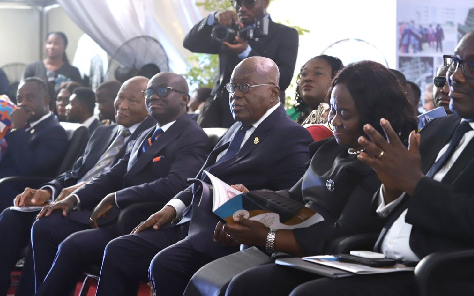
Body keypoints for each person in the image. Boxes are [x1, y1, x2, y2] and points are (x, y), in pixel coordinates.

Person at [286, 27, 474, 296]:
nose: (455, 77)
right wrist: (390, 189)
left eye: (472, 67)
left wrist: (413, 182)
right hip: (383, 263)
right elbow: (389, 207)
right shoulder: (439, 128)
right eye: (455, 63)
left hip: (447, 277)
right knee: (257, 282)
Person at [93, 57, 312, 296]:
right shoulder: (237, 128)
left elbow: (292, 200)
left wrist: (252, 199)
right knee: (119, 250)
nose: (235, 95)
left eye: (245, 87)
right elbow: (203, 176)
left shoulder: (290, 136)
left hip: (226, 232)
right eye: (232, 87)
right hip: (190, 220)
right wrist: (174, 206)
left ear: (273, 93)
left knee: (166, 263)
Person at [212, 61, 417, 296]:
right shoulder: (330, 148)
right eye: (333, 110)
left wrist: (267, 237)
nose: (335, 122)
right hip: (291, 244)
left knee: (244, 287)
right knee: (212, 280)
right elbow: (292, 196)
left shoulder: (380, 164)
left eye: (345, 114)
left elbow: (340, 235)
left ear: (374, 113)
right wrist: (251, 202)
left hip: (329, 258)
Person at [31, 73, 211, 295]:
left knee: (73, 245)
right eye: (150, 92)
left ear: (184, 99)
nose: (154, 96)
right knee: (46, 224)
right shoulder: (146, 133)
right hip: (117, 215)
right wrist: (74, 198)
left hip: (144, 220)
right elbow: (113, 175)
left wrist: (117, 197)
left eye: (163, 91)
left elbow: (176, 184)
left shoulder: (192, 136)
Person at [0, 76, 155, 296]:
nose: (122, 105)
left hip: (98, 209)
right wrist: (48, 190)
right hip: (65, 200)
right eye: (120, 97)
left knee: (46, 224)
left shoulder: (152, 138)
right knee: (11, 216)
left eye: (132, 101)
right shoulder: (103, 132)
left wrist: (82, 190)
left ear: (151, 104)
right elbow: (74, 172)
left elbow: (129, 182)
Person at [0, 78, 69, 295]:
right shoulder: (27, 128)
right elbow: (1, 163)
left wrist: (17, 129)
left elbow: (30, 170)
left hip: (17, 194)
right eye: (19, 98)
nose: (23, 103)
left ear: (46, 100)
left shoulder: (53, 131)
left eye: (30, 98)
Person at [183, 0, 300, 128]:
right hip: (219, 114)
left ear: (265, 1)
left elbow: (283, 79)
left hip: (260, 117)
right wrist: (213, 18)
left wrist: (246, 52)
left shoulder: (284, 34)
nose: (242, 8)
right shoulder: (227, 30)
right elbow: (191, 43)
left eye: (249, 2)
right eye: (237, 3)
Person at [286, 55, 343, 125]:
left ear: (335, 79)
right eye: (304, 74)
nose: (307, 78)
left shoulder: (341, 122)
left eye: (317, 73)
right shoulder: (285, 117)